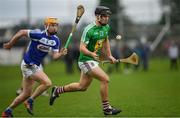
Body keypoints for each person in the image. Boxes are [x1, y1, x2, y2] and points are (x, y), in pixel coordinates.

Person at [49, 6, 121, 116]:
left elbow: (105, 41)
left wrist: (109, 56)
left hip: (92, 60)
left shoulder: (106, 27)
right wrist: (91, 54)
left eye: (108, 16)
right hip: (85, 60)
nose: (107, 18)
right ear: (97, 16)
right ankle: (107, 109)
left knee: (81, 87)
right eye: (104, 16)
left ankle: (57, 90)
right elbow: (81, 48)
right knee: (105, 79)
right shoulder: (89, 30)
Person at [2, 17, 67, 117]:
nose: (55, 28)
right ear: (46, 26)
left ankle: (7, 112)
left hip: (36, 66)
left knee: (26, 94)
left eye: (56, 25)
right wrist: (11, 43)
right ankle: (30, 101)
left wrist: (61, 53)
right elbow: (21, 32)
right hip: (28, 65)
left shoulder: (56, 40)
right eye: (52, 25)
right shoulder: (38, 34)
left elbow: (55, 57)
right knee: (47, 83)